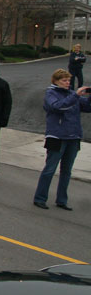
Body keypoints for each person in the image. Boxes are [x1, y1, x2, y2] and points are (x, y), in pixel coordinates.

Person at [33, 69, 91, 210]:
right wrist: (76, 96)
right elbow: (57, 107)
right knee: (50, 169)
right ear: (56, 81)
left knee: (67, 171)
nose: (67, 83)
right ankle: (40, 198)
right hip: (57, 136)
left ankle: (62, 200)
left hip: (73, 137)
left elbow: (88, 107)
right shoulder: (51, 93)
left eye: (68, 81)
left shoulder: (72, 94)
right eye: (64, 80)